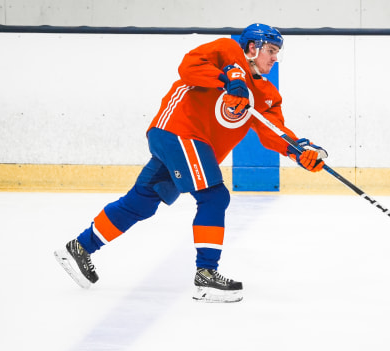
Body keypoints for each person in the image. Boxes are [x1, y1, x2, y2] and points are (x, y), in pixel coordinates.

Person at [54, 23, 327, 303]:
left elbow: (274, 132)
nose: (274, 58)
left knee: (142, 203)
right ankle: (206, 275)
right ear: (252, 47)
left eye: (277, 52)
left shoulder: (266, 93)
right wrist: (229, 80)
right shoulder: (227, 50)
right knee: (214, 196)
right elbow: (188, 67)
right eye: (270, 50)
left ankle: (80, 247)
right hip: (179, 132)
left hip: (187, 145)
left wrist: (300, 151)